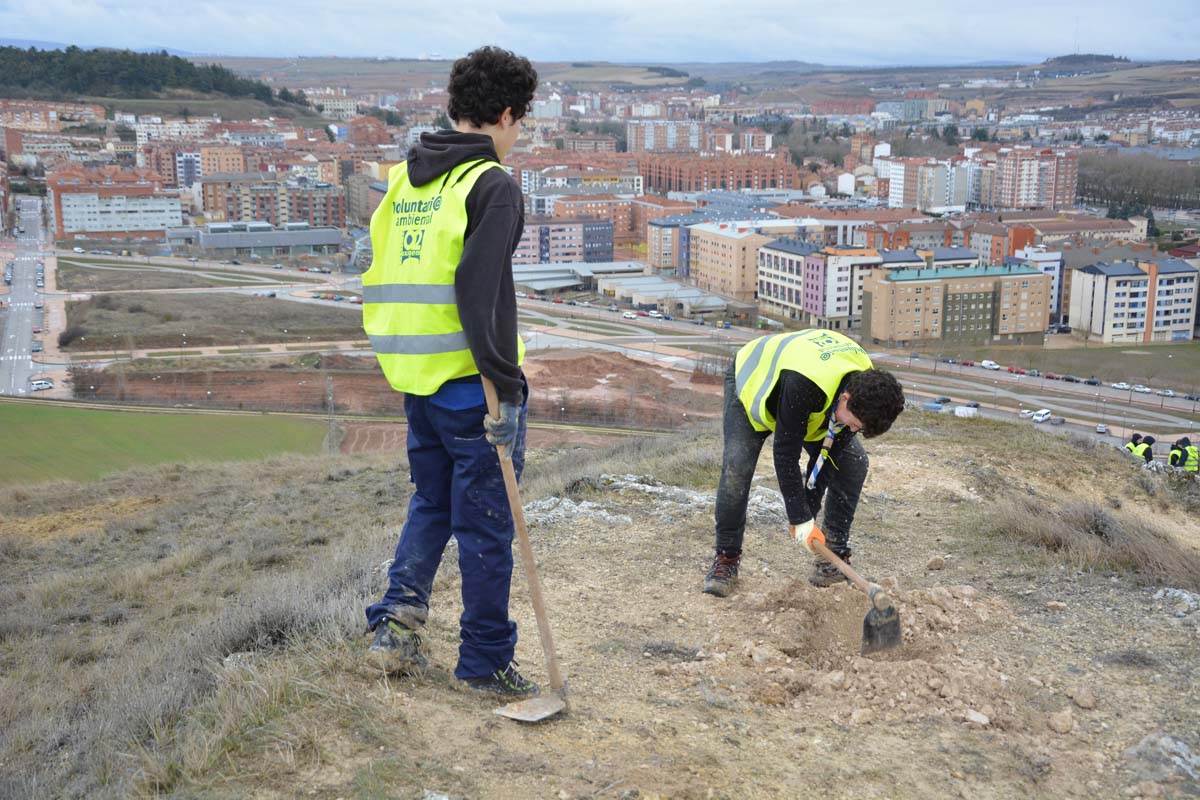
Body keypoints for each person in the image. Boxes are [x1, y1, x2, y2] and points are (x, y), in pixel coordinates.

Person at [361, 46, 540, 698]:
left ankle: (395, 629)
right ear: (503, 113)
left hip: (415, 377)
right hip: (473, 384)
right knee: (488, 522)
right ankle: (484, 662)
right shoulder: (491, 186)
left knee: (432, 502)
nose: (519, 134)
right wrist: (508, 386)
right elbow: (478, 290)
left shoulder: (407, 179)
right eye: (521, 121)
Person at [703, 330, 906, 597]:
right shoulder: (806, 385)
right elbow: (786, 454)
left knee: (853, 463)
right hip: (753, 382)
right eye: (854, 423)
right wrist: (799, 517)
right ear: (846, 398)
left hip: (810, 397)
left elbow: (828, 458)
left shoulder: (864, 383)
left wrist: (809, 508)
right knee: (736, 469)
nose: (852, 429)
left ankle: (831, 557)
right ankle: (726, 557)